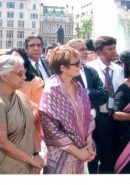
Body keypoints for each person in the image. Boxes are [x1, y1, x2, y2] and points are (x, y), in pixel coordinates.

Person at [0, 55, 44, 174]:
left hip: (26, 164)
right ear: (4, 76)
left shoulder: (21, 97)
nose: (24, 77)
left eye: (24, 73)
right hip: (1, 167)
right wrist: (31, 159)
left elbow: (30, 128)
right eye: (20, 74)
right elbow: (2, 142)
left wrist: (36, 154)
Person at [39, 45, 96, 174]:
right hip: (61, 157)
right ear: (63, 67)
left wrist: (89, 144)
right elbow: (50, 129)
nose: (80, 66)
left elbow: (88, 116)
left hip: (82, 153)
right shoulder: (51, 90)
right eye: (76, 64)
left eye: (80, 62)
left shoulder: (79, 86)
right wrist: (78, 152)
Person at [67, 39, 109, 173]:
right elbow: (69, 98)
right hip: (75, 126)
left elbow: (104, 94)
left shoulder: (91, 71)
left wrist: (85, 95)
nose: (85, 52)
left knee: (94, 159)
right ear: (71, 52)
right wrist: (90, 95)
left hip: (96, 123)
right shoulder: (66, 73)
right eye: (81, 49)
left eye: (85, 49)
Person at [86, 36, 124, 173]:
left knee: (110, 157)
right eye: (110, 49)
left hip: (114, 118)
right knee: (93, 157)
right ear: (99, 52)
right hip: (95, 119)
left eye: (114, 48)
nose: (114, 51)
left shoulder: (119, 70)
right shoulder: (89, 69)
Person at [8, 48, 45, 147]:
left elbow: (36, 112)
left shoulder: (36, 82)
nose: (17, 63)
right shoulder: (2, 83)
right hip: (6, 137)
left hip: (29, 138)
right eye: (12, 60)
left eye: (19, 60)